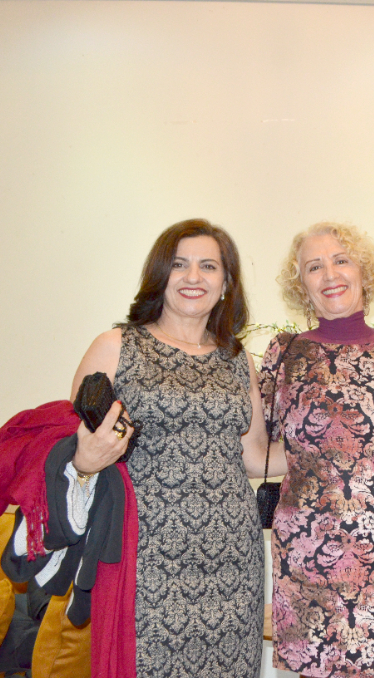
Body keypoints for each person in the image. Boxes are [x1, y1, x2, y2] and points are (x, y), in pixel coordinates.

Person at [67, 218, 267, 677]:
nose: (193, 277)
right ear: (161, 275)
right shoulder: (116, 345)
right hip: (145, 555)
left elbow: (254, 457)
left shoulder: (238, 359)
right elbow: (71, 447)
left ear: (225, 282)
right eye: (179, 265)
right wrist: (83, 461)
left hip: (234, 560)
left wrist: (337, 445)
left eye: (208, 266)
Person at [259, 221, 374, 678]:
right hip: (305, 559)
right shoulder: (284, 355)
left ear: (363, 271)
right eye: (314, 267)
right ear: (302, 285)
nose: (329, 274)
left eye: (341, 260)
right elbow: (259, 450)